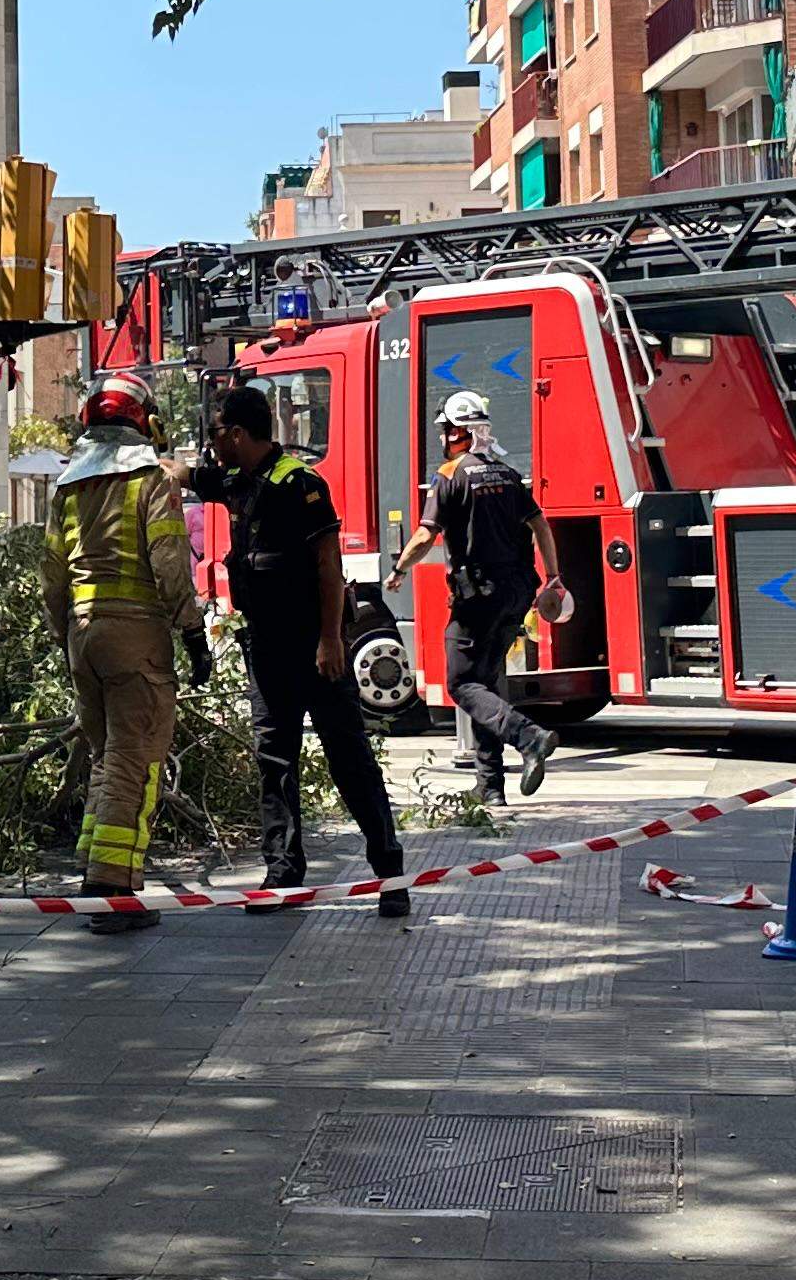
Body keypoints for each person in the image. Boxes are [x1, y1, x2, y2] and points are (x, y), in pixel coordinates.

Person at [185, 381, 411, 920]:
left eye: (217, 432)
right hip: (265, 647)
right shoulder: (238, 481)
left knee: (350, 760)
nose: (212, 443)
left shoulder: (299, 483)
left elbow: (328, 566)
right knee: (274, 760)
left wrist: (332, 639)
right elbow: (180, 474)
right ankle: (282, 873)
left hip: (315, 648)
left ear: (238, 434)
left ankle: (390, 873)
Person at [42, 379, 201, 934]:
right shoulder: (152, 480)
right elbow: (169, 560)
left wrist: (64, 634)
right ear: (143, 423)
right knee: (134, 758)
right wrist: (193, 632)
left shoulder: (68, 488)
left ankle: (96, 870)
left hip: (82, 638)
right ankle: (111, 891)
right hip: (136, 637)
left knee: (108, 756)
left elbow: (52, 575)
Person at [386, 387, 564, 802]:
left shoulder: (449, 476)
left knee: (461, 682)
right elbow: (540, 525)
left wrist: (399, 569)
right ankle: (490, 786)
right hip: (518, 592)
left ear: (458, 433)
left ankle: (529, 736)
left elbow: (426, 535)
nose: (443, 437)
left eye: (446, 429)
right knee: (484, 683)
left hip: (478, 597)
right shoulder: (506, 473)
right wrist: (553, 576)